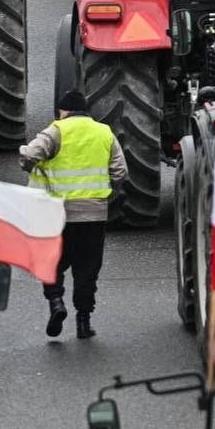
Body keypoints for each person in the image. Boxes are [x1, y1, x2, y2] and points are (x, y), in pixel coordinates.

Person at [19, 91, 127, 339]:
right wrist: (103, 194)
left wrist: (29, 166)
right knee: (87, 269)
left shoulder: (57, 130)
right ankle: (83, 321)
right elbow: (120, 171)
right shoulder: (104, 132)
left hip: (59, 215)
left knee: (52, 262)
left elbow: (28, 155)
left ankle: (56, 301)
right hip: (94, 215)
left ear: (63, 111)